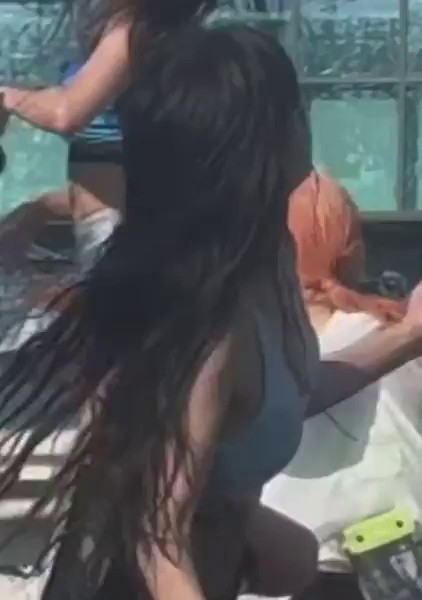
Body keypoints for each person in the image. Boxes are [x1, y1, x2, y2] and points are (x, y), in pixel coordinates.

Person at [0, 25, 422, 600]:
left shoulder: (268, 262)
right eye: (293, 110)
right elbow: (158, 547)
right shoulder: (203, 319)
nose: (306, 124)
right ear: (262, 138)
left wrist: (409, 334)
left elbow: (278, 393)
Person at [259, 170, 422, 600]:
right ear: (352, 252)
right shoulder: (395, 333)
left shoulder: (236, 351)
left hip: (273, 579)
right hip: (393, 576)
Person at [0, 0, 217, 275]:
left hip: (119, 234)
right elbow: (108, 166)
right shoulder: (143, 30)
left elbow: (65, 113)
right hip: (116, 224)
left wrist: (7, 96)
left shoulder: (135, 29)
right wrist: (40, 210)